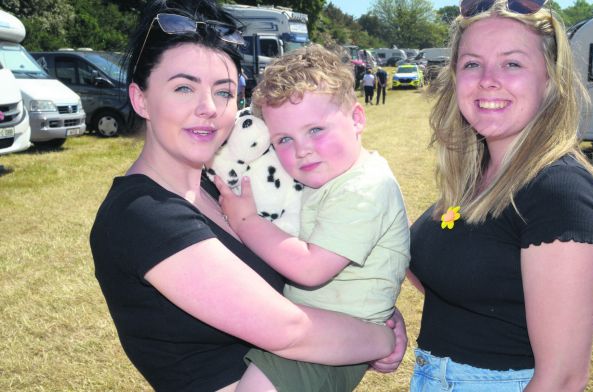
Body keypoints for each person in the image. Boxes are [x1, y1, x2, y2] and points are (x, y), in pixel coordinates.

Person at [89, 1, 406, 391]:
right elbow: (290, 330)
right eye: (184, 88)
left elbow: (318, 248)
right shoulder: (141, 216)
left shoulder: (224, 187)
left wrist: (374, 311)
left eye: (223, 91)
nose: (208, 108)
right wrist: (378, 338)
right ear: (140, 99)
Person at [408, 1, 593, 391]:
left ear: (551, 80)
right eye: (471, 64)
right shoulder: (476, 174)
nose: (487, 80)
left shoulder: (561, 193)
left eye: (512, 63)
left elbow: (564, 379)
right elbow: (458, 275)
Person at [214, 44, 411, 392]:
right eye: (284, 139)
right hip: (322, 334)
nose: (301, 149)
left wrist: (245, 221)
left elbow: (310, 268)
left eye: (316, 130)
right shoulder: (328, 177)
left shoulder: (364, 187)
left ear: (357, 119)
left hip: (335, 341)